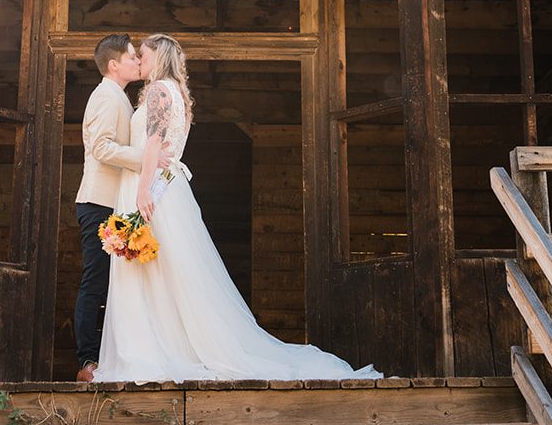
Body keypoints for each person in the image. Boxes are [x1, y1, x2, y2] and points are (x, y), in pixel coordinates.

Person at [95, 33, 381, 383]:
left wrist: (142, 191)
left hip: (154, 188)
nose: (140, 59)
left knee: (155, 272)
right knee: (170, 272)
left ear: (159, 57)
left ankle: (156, 349)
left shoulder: (157, 91)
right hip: (171, 188)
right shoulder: (177, 94)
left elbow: (154, 142)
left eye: (144, 54)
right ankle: (173, 344)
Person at [72, 33, 146, 383]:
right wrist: (144, 158)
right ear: (114, 64)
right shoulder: (105, 96)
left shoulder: (118, 96)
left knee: (120, 281)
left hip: (114, 203)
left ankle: (114, 356)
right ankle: (88, 360)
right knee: (96, 280)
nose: (137, 61)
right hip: (98, 202)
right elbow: (101, 147)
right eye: (132, 57)